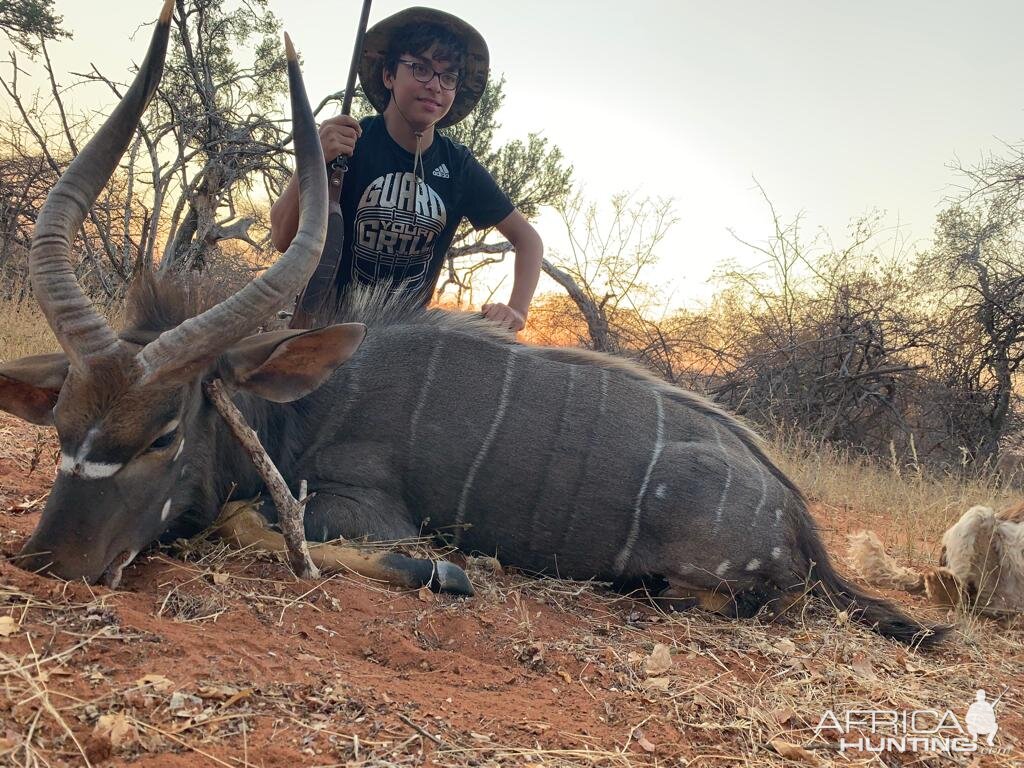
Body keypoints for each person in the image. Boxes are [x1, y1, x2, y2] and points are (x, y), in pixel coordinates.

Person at [270, 7, 543, 332]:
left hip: (400, 349)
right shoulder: (348, 144)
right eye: (421, 69)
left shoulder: (458, 166)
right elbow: (282, 238)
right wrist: (313, 159)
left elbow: (529, 240)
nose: (435, 86)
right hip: (321, 333)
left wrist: (517, 310)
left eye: (448, 77)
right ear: (389, 75)